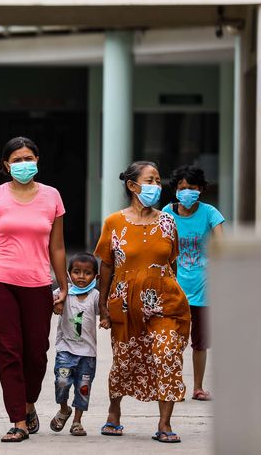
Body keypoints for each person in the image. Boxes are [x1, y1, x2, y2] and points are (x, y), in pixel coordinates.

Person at [0, 136, 68, 443]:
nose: (24, 165)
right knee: (9, 353)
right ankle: (18, 421)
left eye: (29, 159)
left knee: (36, 353)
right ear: (6, 165)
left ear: (37, 161)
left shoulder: (52, 197)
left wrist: (63, 285)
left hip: (37, 284)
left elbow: (58, 247)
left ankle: (28, 402)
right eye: (18, 160)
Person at [95, 161, 190, 444]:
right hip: (125, 304)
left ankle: (164, 423)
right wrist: (103, 304)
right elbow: (107, 266)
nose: (156, 186)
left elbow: (170, 261)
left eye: (158, 181)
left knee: (167, 356)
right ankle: (114, 413)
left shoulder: (167, 221)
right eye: (150, 180)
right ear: (132, 185)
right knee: (124, 361)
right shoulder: (114, 222)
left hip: (166, 303)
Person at [162, 165, 224, 402]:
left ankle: (198, 387)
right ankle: (174, 384)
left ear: (201, 189)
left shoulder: (210, 213)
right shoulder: (167, 212)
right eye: (182, 188)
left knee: (200, 342)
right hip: (174, 288)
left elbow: (221, 243)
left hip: (204, 287)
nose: (186, 192)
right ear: (176, 190)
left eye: (192, 188)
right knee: (173, 341)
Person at [49, 252, 100, 437]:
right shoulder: (63, 292)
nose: (81, 276)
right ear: (68, 274)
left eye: (87, 273)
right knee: (62, 382)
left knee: (83, 388)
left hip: (88, 354)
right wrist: (55, 305)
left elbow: (105, 311)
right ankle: (64, 409)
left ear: (96, 276)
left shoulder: (95, 296)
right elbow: (46, 302)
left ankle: (77, 422)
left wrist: (107, 319)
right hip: (65, 350)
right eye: (76, 272)